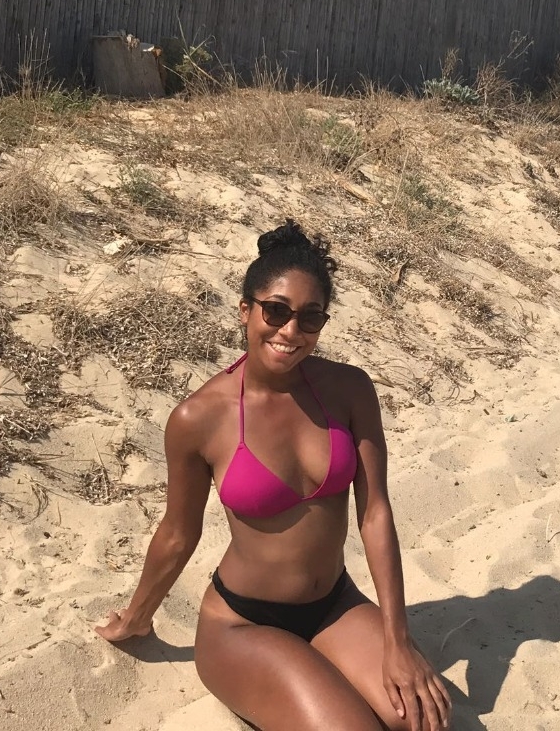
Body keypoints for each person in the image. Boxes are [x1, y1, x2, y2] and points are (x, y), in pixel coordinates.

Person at [96, 220, 452, 731]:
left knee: (420, 720)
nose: (290, 332)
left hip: (335, 604)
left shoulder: (350, 390)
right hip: (243, 623)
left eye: (310, 318)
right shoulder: (199, 418)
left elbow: (375, 512)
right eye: (276, 311)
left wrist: (398, 640)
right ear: (246, 310)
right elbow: (178, 533)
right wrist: (135, 619)